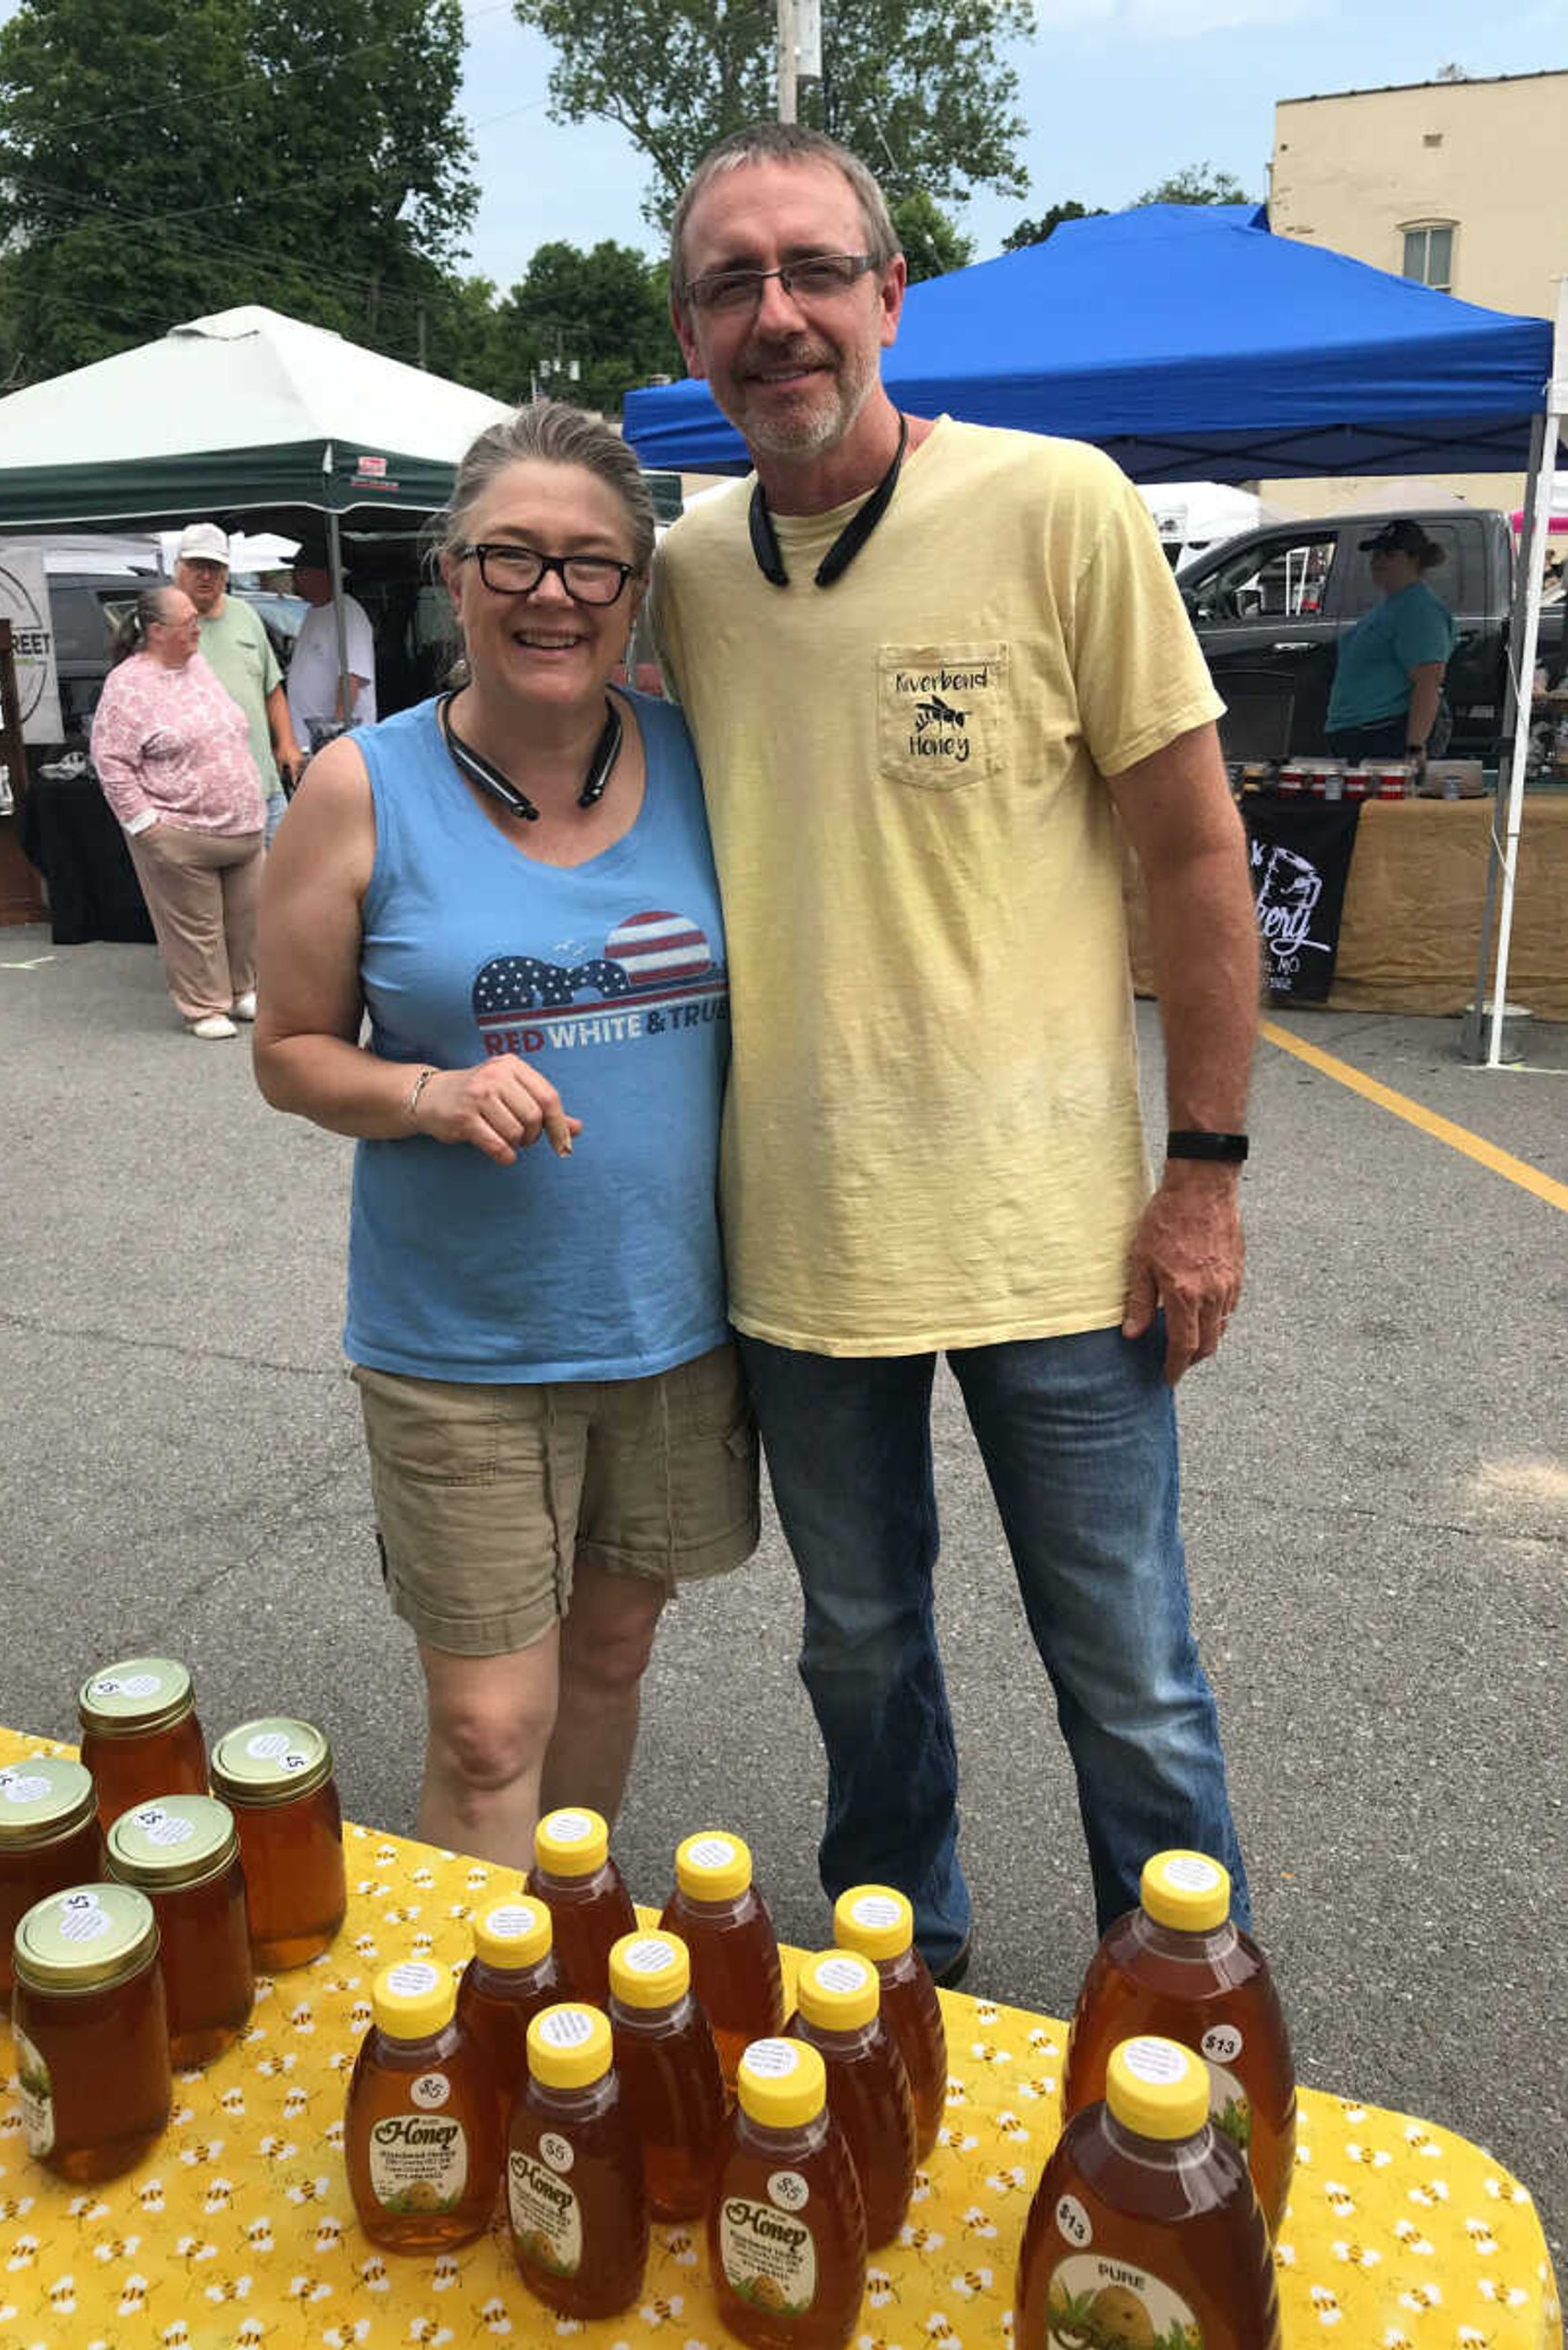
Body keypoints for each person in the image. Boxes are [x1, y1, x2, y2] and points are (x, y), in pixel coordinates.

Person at [651, 123, 1261, 1983]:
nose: (777, 315)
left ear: (889, 295)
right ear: (691, 332)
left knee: (1128, 1667)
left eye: (812, 269)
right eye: (732, 283)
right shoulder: (682, 570)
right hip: (803, 1235)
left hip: (1057, 1234)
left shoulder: (1054, 503)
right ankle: (901, 1976)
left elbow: (1195, 853)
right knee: (857, 1644)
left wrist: (1205, 1172)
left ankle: (1187, 2037)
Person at [253, 403, 758, 1870]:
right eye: (513, 559)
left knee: (610, 1665)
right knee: (486, 1727)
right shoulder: (360, 786)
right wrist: (430, 1093)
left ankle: (570, 1978)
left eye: (593, 565)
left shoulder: (704, 765)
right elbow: (286, 1055)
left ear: (636, 590)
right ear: (450, 572)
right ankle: (478, 2022)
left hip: (670, 1328)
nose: (553, 594)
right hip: (460, 1344)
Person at [89, 586, 264, 1038]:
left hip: (241, 826)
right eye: (188, 622)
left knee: (246, 917)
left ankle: (244, 988)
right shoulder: (128, 684)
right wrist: (146, 826)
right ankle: (205, 1006)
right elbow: (111, 761)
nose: (197, 628)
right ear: (156, 630)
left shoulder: (197, 665)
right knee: (194, 926)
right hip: (180, 827)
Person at [173, 522, 303, 844]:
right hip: (200, 800)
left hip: (264, 788)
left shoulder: (246, 614)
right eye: (197, 566)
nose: (206, 575)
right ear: (178, 569)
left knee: (282, 882)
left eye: (215, 567)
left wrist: (286, 743)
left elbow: (272, 689)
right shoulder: (160, 624)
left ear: (226, 572)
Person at [1324, 519, 1456, 765]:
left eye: (1389, 554)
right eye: (1375, 554)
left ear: (1415, 558)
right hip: (1362, 734)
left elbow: (1429, 680)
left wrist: (1415, 747)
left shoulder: (1419, 609)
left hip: (1385, 734)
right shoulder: (1393, 604)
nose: (1377, 561)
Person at [285, 548, 376, 751]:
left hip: (334, 744)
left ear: (322, 574)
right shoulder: (313, 612)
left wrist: (334, 737)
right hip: (310, 742)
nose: (293, 576)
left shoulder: (347, 611)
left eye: (300, 570)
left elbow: (351, 678)